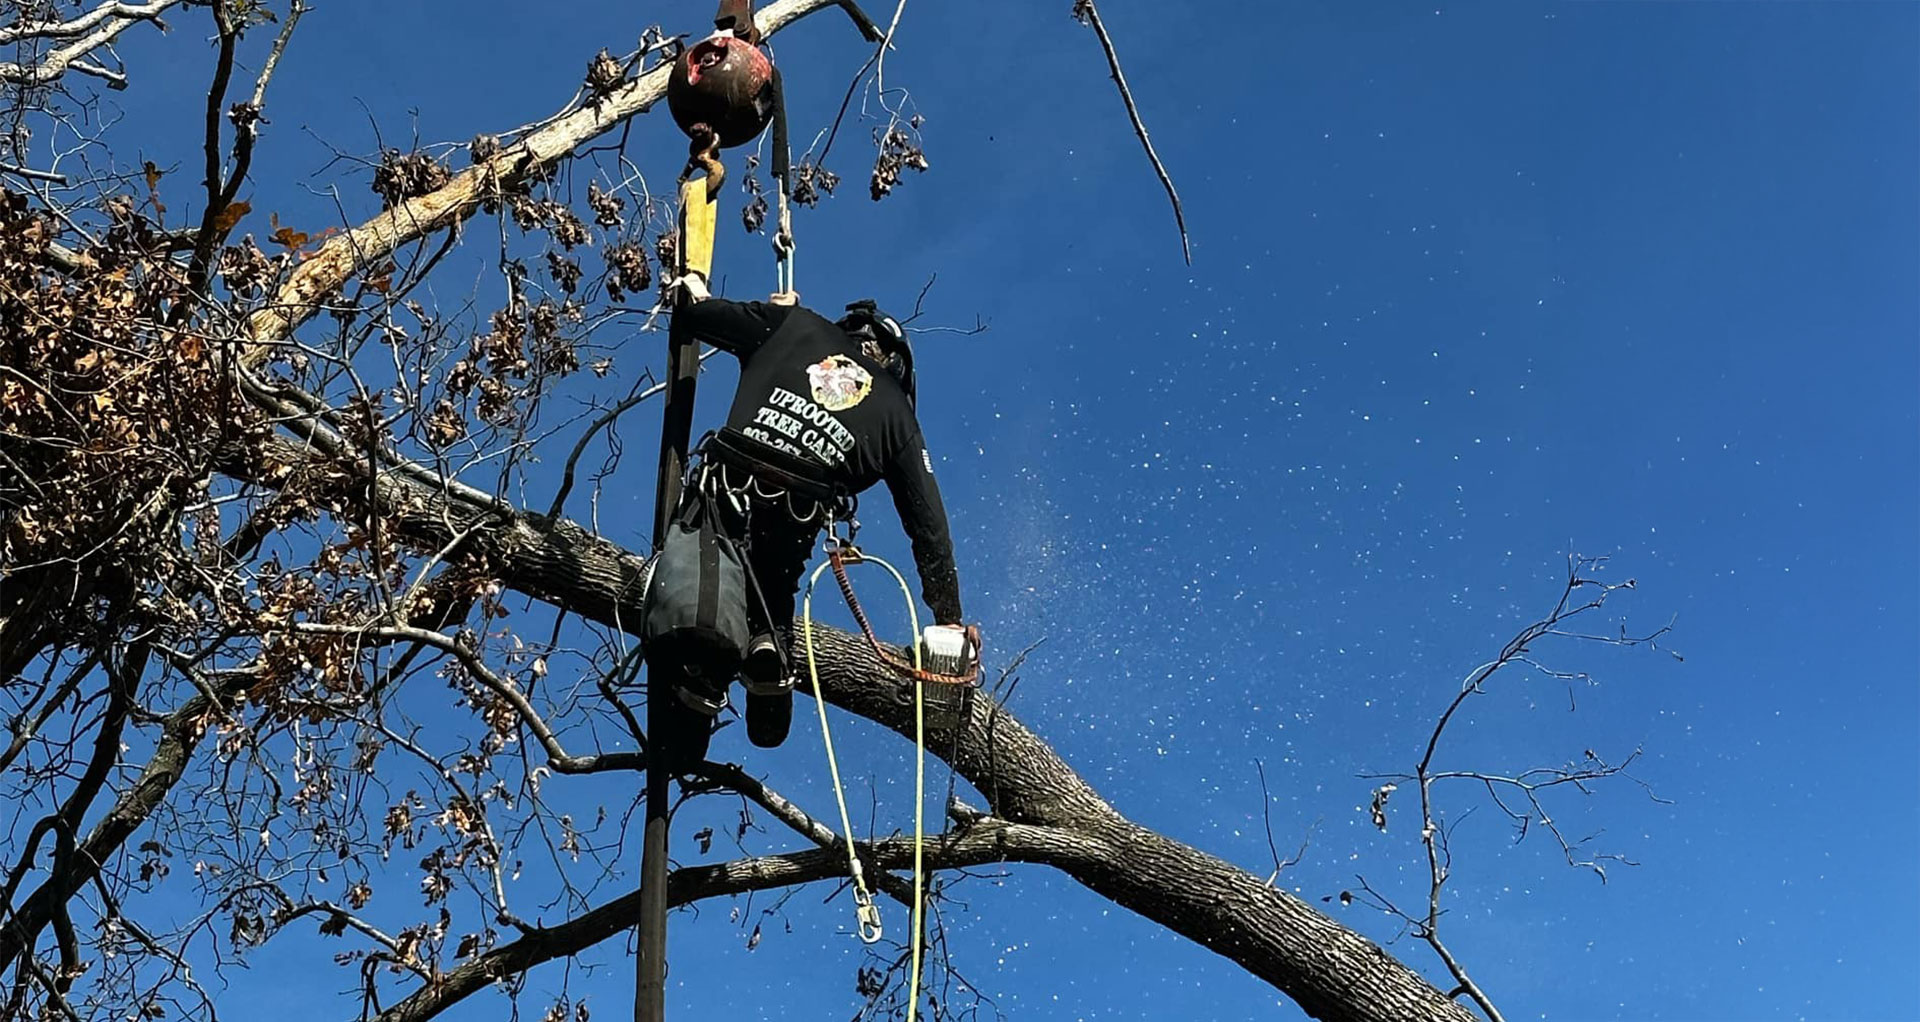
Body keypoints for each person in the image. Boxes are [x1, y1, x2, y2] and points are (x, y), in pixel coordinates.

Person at [652, 275, 976, 767]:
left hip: (729, 485)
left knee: (706, 574)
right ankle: (768, 649)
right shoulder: (897, 414)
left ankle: (702, 676)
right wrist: (947, 615)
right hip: (794, 513)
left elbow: (697, 316)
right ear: (896, 363)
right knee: (773, 591)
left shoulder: (793, 324)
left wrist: (701, 291)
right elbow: (928, 524)